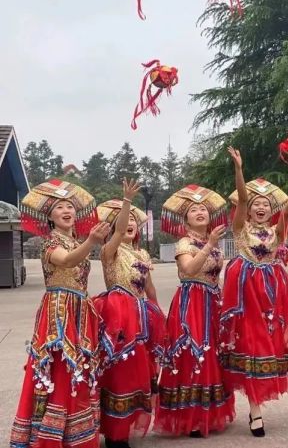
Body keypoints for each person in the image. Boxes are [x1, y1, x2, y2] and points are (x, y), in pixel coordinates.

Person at [221, 147, 288, 437]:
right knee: (251, 346)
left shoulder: (277, 232)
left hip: (272, 296)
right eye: (256, 204)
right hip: (246, 295)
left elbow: (286, 210)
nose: (261, 207)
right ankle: (255, 411)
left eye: (266, 203)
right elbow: (240, 199)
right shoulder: (240, 229)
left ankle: (258, 402)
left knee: (269, 347)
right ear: (248, 209)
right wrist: (239, 170)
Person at [10, 179, 110, 448]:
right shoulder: (49, 243)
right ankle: (49, 436)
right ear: (50, 217)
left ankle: (75, 434)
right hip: (59, 312)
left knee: (79, 369)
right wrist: (91, 241)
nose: (67, 211)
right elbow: (66, 261)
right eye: (59, 207)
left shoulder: (75, 240)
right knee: (59, 368)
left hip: (80, 310)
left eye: (70, 207)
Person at [154, 184, 235, 437]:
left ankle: (208, 413)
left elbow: (215, 274)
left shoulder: (209, 240)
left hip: (212, 301)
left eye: (203, 209)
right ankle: (191, 416)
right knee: (193, 353)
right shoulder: (184, 243)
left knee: (213, 354)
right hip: (192, 303)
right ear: (185, 218)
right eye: (193, 210)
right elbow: (189, 271)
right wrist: (210, 244)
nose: (200, 212)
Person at [93, 180, 166, 448]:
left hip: (141, 315)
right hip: (116, 314)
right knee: (118, 372)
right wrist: (126, 202)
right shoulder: (108, 251)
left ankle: (124, 426)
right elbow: (120, 228)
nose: (131, 223)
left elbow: (149, 287)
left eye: (136, 219)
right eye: (125, 221)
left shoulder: (142, 253)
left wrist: (158, 313)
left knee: (138, 372)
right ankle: (114, 433)